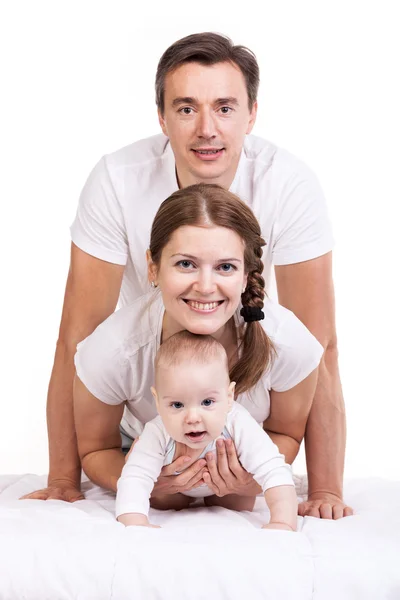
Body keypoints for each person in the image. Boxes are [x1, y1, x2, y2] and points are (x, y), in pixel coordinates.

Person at [23, 31, 352, 519]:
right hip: (152, 384)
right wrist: (64, 481)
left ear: (251, 113)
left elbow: (318, 344)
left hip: (238, 378)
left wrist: (324, 490)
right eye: (185, 108)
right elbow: (77, 337)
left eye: (224, 107)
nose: (206, 129)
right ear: (161, 117)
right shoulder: (118, 181)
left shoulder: (289, 184)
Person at [73, 184, 323, 515]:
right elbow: (95, 450)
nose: (205, 287)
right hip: (152, 459)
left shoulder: (288, 343)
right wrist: (146, 481)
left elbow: (286, 433)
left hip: (239, 458)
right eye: (186, 264)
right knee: (166, 500)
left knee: (236, 502)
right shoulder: (113, 350)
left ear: (247, 275)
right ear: (153, 267)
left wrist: (247, 480)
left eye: (226, 267)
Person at [116, 330, 298, 532]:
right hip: (176, 489)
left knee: (239, 504)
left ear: (229, 397)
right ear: (157, 401)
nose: (193, 417)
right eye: (177, 405)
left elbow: (273, 468)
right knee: (164, 501)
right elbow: (135, 476)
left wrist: (282, 521)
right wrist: (134, 521)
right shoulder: (157, 432)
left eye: (207, 402)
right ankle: (177, 499)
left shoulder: (238, 423)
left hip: (230, 487)